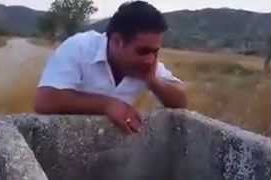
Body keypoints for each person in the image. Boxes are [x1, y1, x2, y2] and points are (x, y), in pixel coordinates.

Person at [34, 1, 187, 134]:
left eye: (155, 52)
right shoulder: (79, 47)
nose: (150, 59)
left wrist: (153, 81)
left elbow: (180, 101)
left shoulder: (147, 66)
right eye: (143, 51)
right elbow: (45, 101)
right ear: (117, 41)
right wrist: (107, 105)